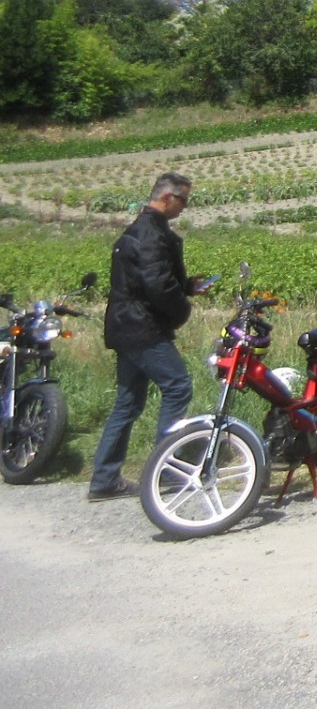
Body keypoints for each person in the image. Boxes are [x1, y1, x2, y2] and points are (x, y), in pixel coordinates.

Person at [90, 172, 206, 501]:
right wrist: (182, 308)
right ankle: (164, 469)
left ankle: (104, 479)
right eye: (183, 199)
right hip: (143, 327)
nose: (185, 206)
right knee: (178, 386)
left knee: (127, 402)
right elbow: (157, 286)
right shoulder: (152, 234)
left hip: (124, 325)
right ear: (167, 197)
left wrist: (187, 286)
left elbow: (146, 279)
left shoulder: (140, 229)